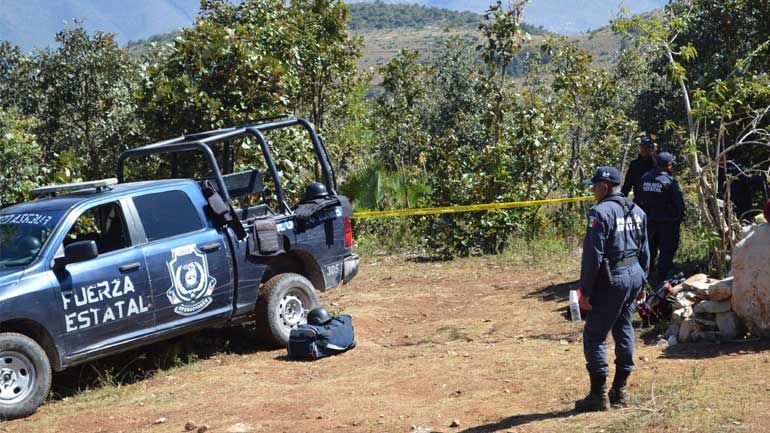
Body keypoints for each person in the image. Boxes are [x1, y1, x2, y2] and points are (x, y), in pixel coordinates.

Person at [576, 166, 650, 412]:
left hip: (613, 280)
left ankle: (598, 396)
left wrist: (585, 291)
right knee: (624, 327)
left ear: (605, 187)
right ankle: (619, 390)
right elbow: (645, 250)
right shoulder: (637, 210)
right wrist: (642, 283)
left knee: (595, 334)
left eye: (594, 186)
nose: (593, 191)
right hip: (634, 275)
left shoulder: (600, 212)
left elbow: (593, 256)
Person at [637, 152, 685, 281]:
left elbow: (639, 198)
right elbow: (679, 204)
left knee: (649, 249)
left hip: (648, 222)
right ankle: (662, 278)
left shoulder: (645, 178)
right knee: (667, 250)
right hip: (667, 224)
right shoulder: (670, 181)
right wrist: (677, 220)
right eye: (671, 165)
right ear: (667, 165)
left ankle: (647, 275)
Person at [621, 136, 656, 201]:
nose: (644, 150)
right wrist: (620, 200)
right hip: (639, 202)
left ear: (652, 149)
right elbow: (627, 186)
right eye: (642, 147)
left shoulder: (657, 165)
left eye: (647, 147)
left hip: (655, 202)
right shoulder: (634, 165)